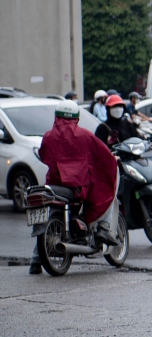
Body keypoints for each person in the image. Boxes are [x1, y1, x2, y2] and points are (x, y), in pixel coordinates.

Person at [31, 101, 121, 273]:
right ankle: (103, 228)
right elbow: (102, 153)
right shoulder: (84, 135)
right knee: (105, 193)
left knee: (47, 217)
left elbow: (43, 156)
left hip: (53, 185)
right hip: (77, 188)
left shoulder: (48, 136)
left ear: (57, 116)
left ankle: (36, 260)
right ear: (76, 117)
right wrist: (112, 159)